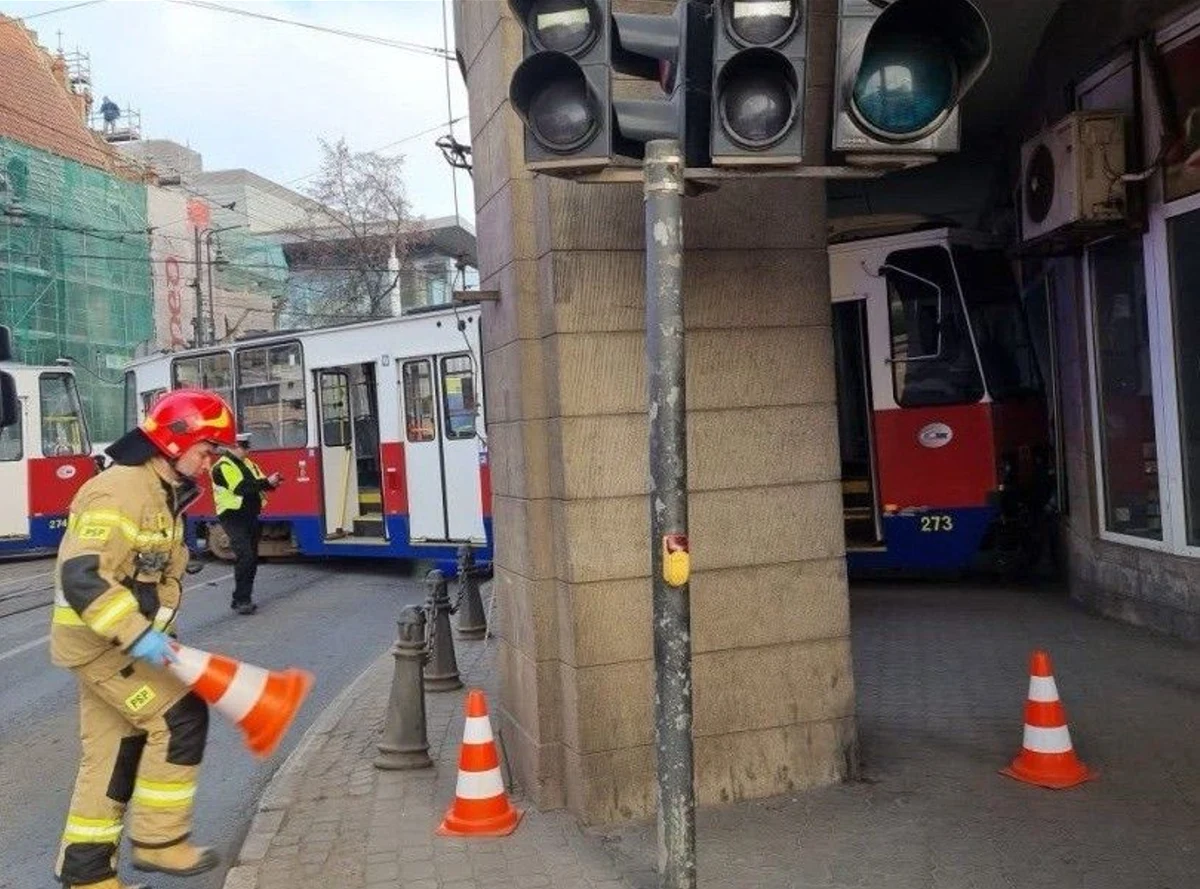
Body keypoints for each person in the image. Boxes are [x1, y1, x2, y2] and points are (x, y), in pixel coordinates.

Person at [50, 389, 237, 889]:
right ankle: (160, 844)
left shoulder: (160, 489)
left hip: (119, 640)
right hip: (103, 644)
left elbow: (153, 580)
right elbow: (84, 578)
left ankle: (87, 875)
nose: (212, 459)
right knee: (179, 717)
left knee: (113, 753)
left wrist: (160, 636)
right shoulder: (120, 491)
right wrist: (142, 639)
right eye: (207, 447)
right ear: (174, 442)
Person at [210, 431, 282, 615]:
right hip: (232, 517)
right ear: (233, 447)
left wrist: (271, 482)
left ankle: (242, 598)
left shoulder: (248, 463)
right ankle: (242, 600)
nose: (248, 451)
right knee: (246, 556)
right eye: (244, 447)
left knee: (251, 559)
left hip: (250, 515)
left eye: (247, 447)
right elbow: (240, 489)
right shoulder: (222, 466)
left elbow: (260, 483)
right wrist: (266, 482)